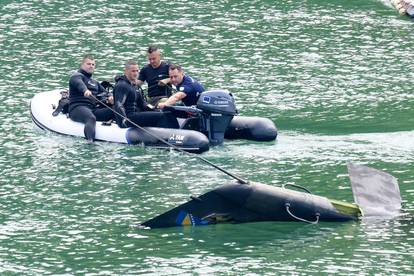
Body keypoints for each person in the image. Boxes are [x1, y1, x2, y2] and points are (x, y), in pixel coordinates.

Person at [113, 60, 179, 129]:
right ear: (126, 71)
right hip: (129, 118)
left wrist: (154, 109)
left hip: (136, 114)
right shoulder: (122, 85)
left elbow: (142, 104)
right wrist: (124, 121)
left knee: (166, 113)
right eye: (133, 71)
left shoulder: (134, 85)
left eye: (137, 71)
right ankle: (168, 136)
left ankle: (178, 131)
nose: (135, 73)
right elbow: (119, 105)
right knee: (161, 116)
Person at [68, 54, 114, 142]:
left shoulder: (95, 82)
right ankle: (90, 143)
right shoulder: (76, 76)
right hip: (77, 109)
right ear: (82, 65)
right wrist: (85, 90)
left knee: (115, 110)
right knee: (91, 118)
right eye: (88, 64)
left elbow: (105, 93)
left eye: (93, 64)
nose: (91, 66)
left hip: (92, 109)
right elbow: (79, 84)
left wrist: (111, 97)